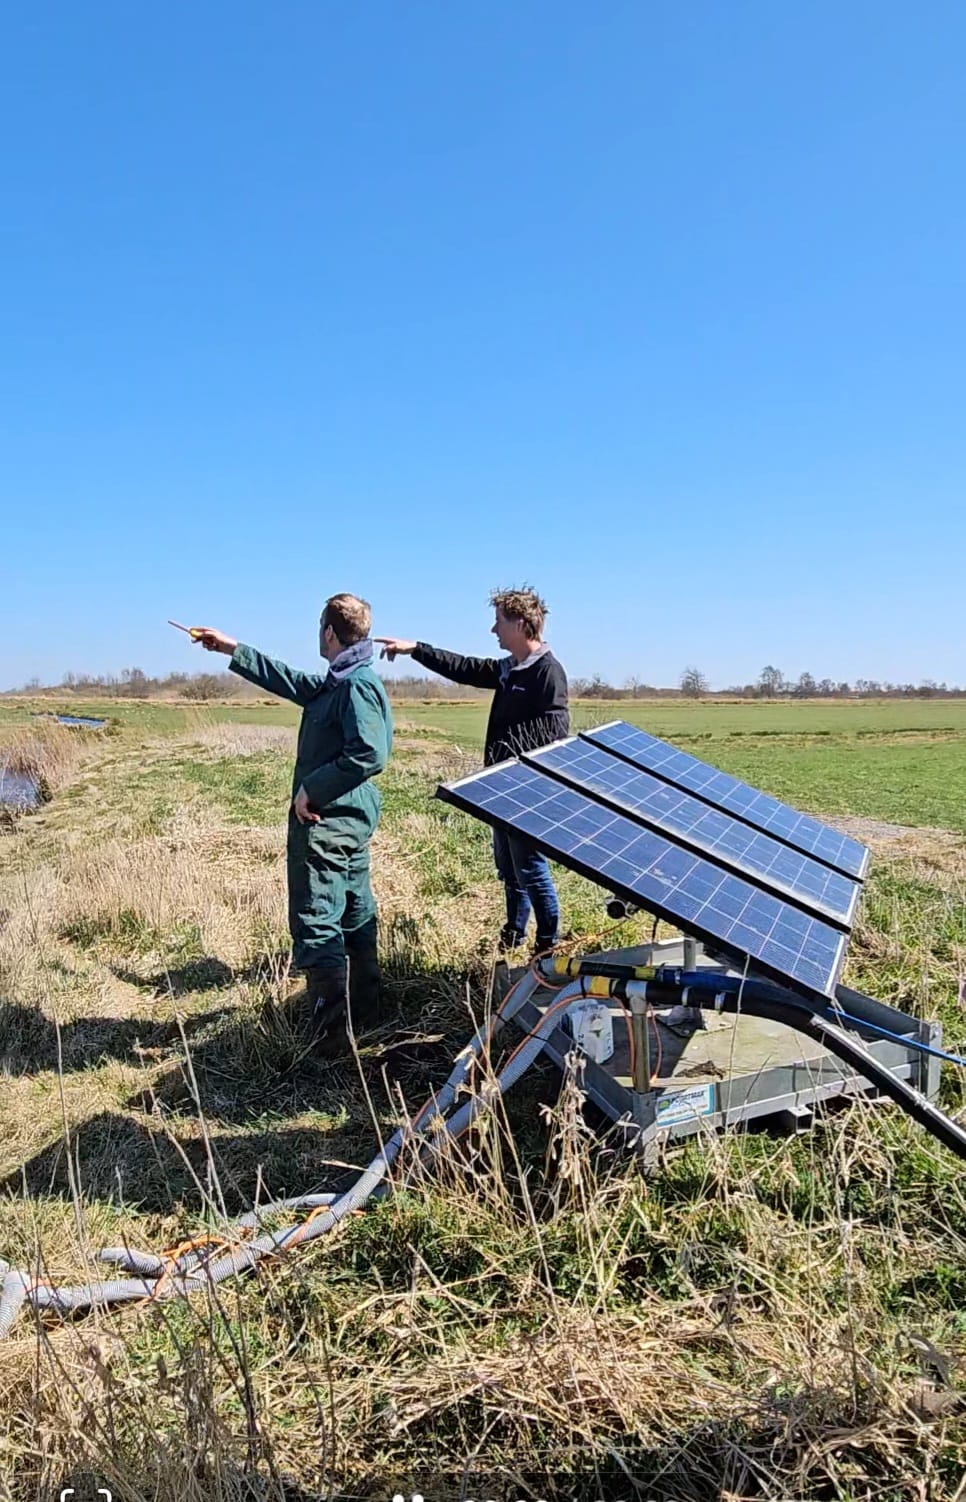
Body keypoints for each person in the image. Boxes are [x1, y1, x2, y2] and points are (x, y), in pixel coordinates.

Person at [193, 594, 393, 1050]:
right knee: (354, 909)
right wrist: (231, 648)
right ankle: (368, 1009)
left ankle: (329, 1041)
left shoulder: (355, 684)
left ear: (329, 632)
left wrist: (312, 788)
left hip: (328, 821)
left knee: (318, 920)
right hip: (346, 819)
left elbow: (369, 753)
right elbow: (289, 679)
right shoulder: (340, 678)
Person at [376, 586, 568, 955]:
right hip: (501, 787)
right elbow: (463, 667)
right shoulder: (509, 669)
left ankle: (547, 944)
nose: (493, 630)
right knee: (509, 869)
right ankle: (514, 932)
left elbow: (554, 735)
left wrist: (514, 762)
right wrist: (416, 649)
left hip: (526, 789)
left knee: (530, 868)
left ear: (520, 625)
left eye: (499, 623)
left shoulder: (548, 672)